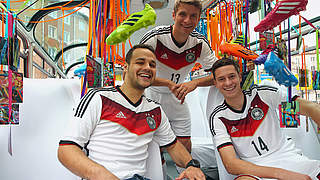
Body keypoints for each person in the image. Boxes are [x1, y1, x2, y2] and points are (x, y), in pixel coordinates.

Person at [57, 44, 205, 180]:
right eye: (140, 62)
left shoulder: (155, 110)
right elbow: (66, 150)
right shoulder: (98, 97)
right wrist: (104, 176)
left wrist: (191, 165)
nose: (147, 67)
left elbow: (173, 145)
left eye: (152, 65)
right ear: (126, 67)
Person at [208, 57, 320, 180]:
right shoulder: (218, 117)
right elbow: (231, 164)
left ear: (240, 77)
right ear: (215, 83)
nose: (228, 83)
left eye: (232, 76)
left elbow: (309, 109)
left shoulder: (264, 94)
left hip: (290, 158)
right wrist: (283, 174)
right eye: (221, 79)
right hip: (256, 170)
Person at [140, 0, 217, 153]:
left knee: (185, 145)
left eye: (193, 16)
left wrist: (194, 83)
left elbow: (219, 74)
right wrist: (167, 83)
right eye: (183, 14)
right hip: (151, 96)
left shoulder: (200, 43)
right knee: (154, 147)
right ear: (174, 15)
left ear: (198, 18)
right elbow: (137, 73)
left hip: (178, 98)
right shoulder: (155, 37)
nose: (187, 20)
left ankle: (187, 174)